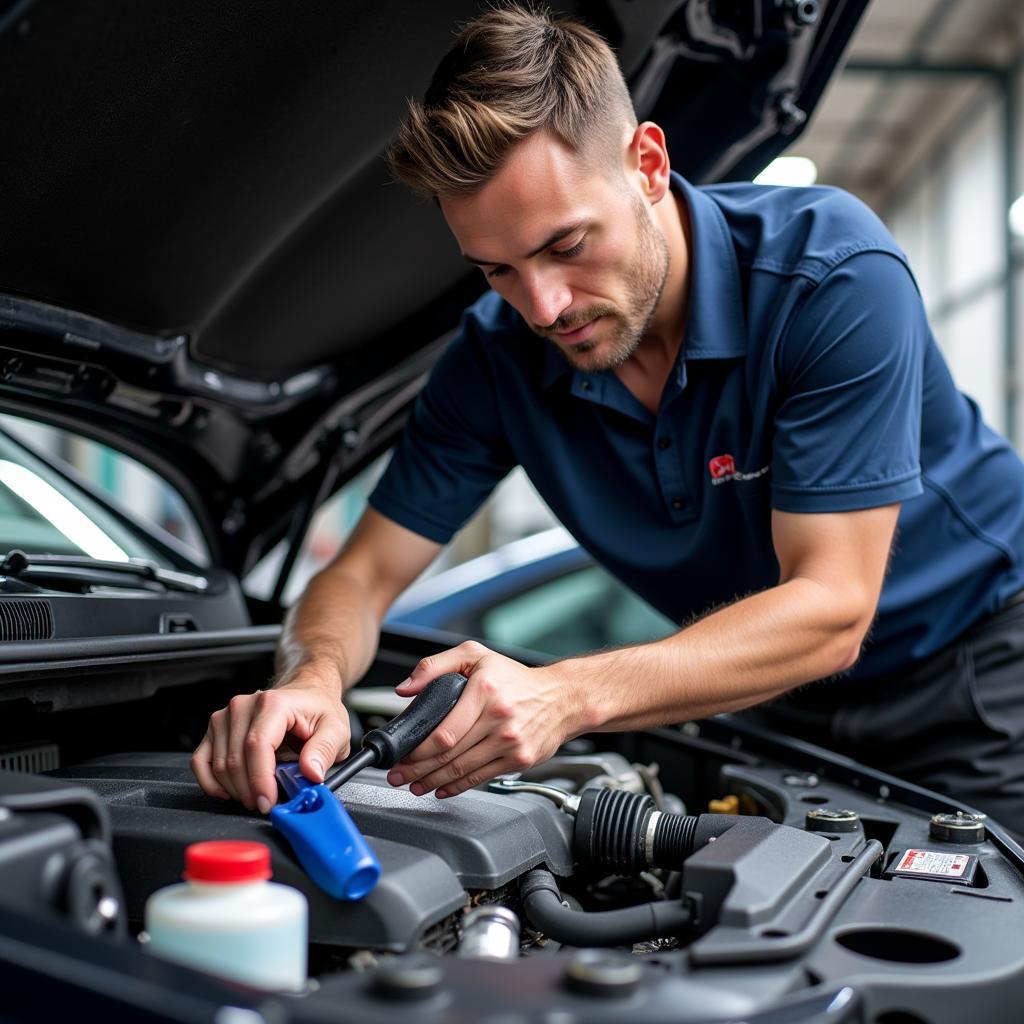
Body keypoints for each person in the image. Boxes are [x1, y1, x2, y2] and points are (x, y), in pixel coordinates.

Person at [191, 6, 1024, 834]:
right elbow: (360, 577)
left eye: (566, 245)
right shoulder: (495, 359)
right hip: (769, 698)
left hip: (979, 677)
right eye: (497, 270)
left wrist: (568, 692)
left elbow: (833, 606)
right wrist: (313, 678)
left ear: (648, 164)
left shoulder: (829, 274)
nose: (544, 307)